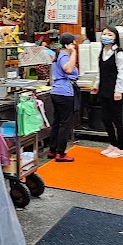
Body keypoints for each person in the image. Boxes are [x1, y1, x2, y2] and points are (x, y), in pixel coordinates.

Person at [92, 26, 123, 158]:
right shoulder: (102, 52)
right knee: (105, 118)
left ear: (115, 38)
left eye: (110, 34)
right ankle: (112, 143)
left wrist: (118, 90)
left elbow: (122, 72)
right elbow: (99, 71)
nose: (106, 36)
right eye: (104, 34)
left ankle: (121, 147)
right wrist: (96, 85)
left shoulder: (118, 52)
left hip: (115, 90)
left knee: (117, 119)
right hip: (103, 89)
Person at [48, 32, 80, 162]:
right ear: (67, 45)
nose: (75, 44)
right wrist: (73, 53)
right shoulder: (64, 56)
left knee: (57, 122)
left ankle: (53, 149)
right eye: (73, 42)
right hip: (64, 93)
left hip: (57, 91)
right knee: (64, 124)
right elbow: (68, 69)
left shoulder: (58, 56)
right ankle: (60, 153)